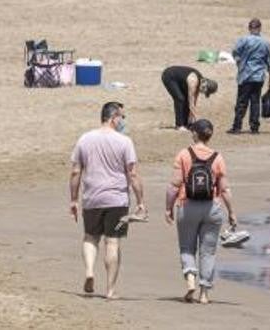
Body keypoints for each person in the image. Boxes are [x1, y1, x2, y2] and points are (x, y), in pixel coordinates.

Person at [68, 101, 146, 300]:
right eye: (122, 117)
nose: (123, 121)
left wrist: (74, 199)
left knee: (90, 237)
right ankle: (110, 290)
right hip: (117, 199)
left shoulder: (85, 139)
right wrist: (140, 201)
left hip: (92, 197)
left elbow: (76, 171)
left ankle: (89, 272)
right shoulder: (124, 141)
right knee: (112, 242)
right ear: (113, 118)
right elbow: (133, 174)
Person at [165, 119, 237, 304]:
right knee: (208, 252)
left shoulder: (184, 154)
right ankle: (204, 293)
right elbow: (225, 189)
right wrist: (232, 213)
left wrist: (168, 208)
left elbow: (174, 185)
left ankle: (190, 280)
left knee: (187, 247)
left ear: (195, 134)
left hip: (187, 205)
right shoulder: (218, 157)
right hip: (212, 207)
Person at [230, 18, 270, 135]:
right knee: (255, 102)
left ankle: (237, 126)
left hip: (245, 75)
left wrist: (239, 63)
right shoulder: (265, 43)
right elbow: (269, 63)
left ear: (249, 28)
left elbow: (234, 52)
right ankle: (254, 127)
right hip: (259, 77)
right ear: (260, 28)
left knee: (241, 102)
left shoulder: (244, 40)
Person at [161, 66, 219, 130]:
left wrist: (191, 120)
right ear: (204, 85)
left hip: (178, 81)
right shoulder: (193, 81)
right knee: (180, 99)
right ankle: (179, 125)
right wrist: (197, 121)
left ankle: (186, 123)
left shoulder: (200, 83)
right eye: (204, 91)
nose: (202, 93)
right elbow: (191, 102)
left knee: (186, 100)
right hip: (169, 76)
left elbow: (194, 102)